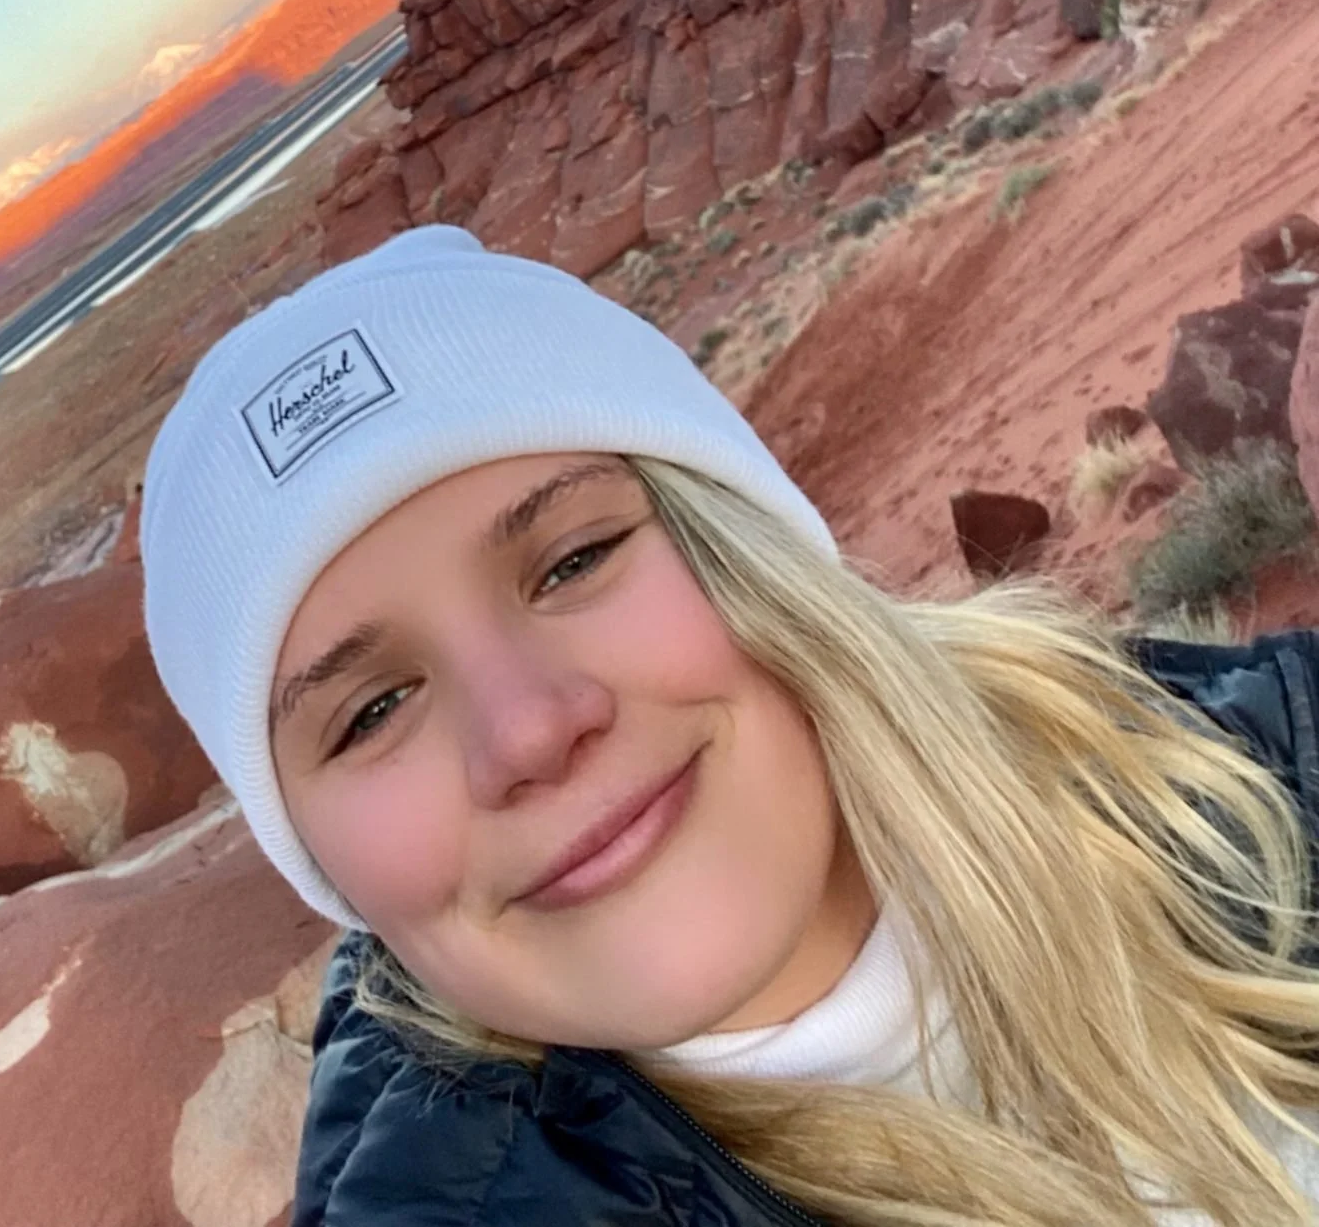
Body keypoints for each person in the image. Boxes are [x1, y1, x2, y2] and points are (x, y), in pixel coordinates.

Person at [140, 224, 1319, 1227]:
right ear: (326, 868)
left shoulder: (1257, 763)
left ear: (746, 546)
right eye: (373, 711)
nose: (530, 731)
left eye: (575, 559)